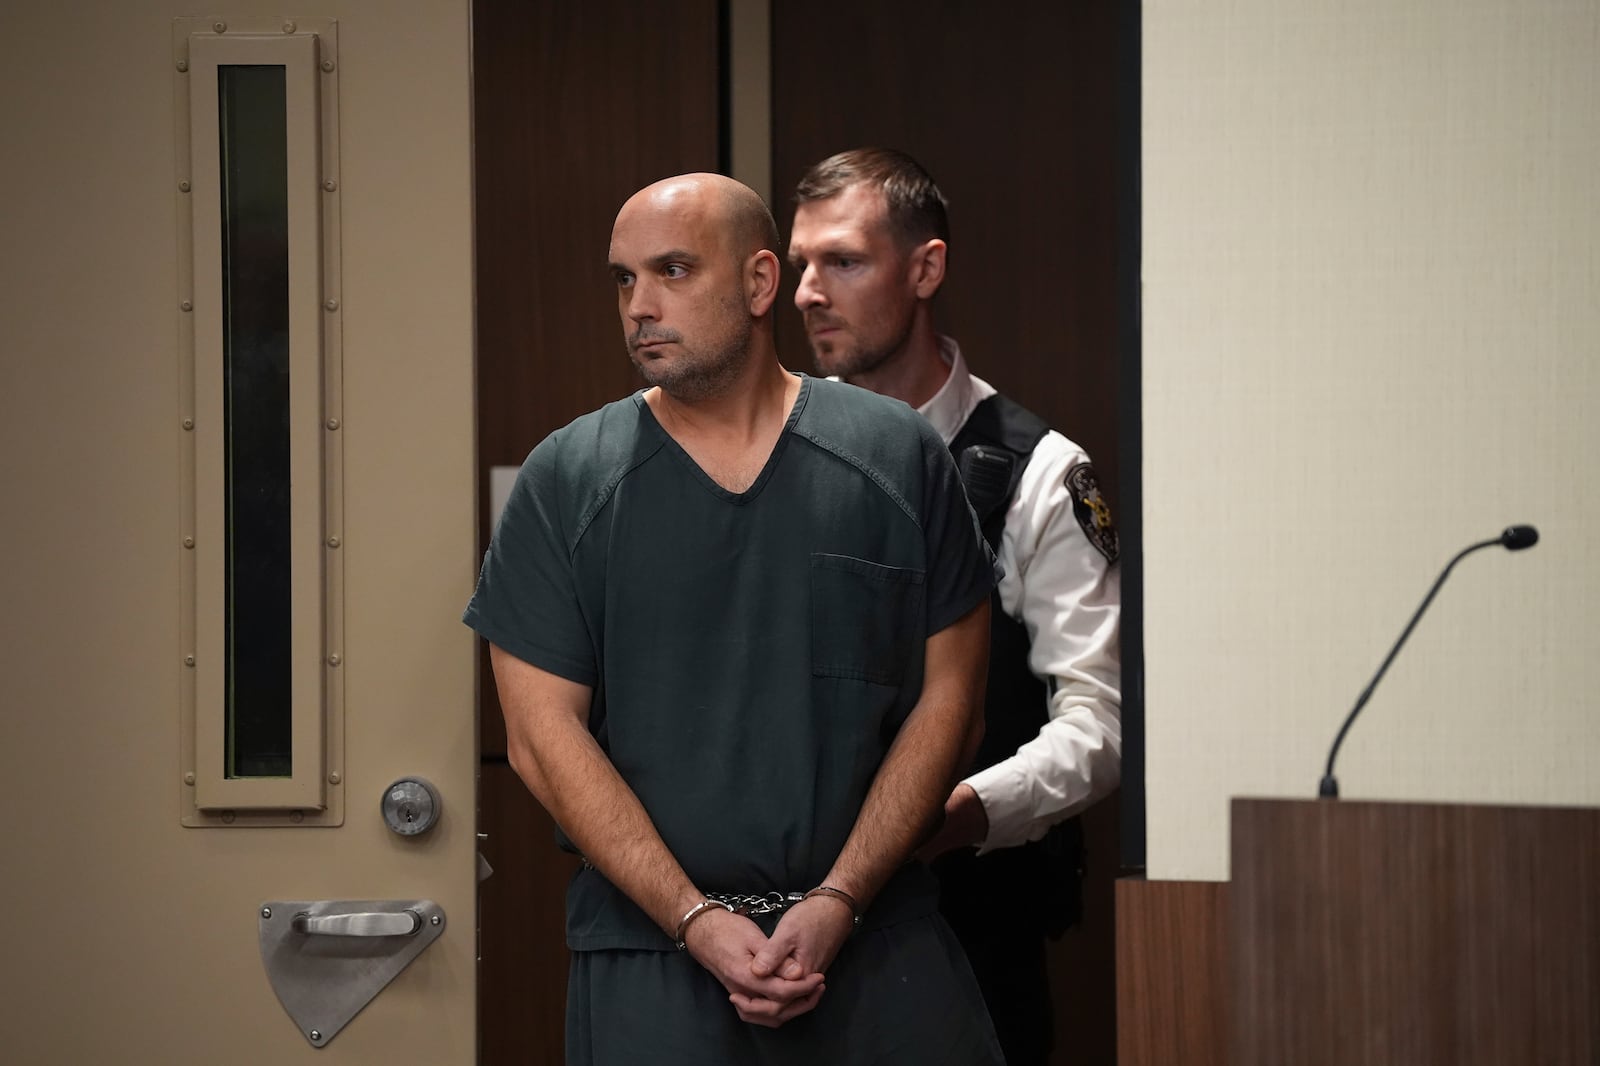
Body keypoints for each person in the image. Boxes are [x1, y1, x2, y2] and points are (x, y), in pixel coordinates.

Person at [464, 172, 1006, 1065]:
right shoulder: (566, 478)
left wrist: (840, 899)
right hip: (653, 960)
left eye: (673, 270)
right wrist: (694, 919)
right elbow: (538, 739)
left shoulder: (894, 454)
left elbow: (952, 705)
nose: (641, 305)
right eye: (624, 279)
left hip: (874, 948)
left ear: (760, 285)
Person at [788, 148, 1122, 1066]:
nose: (809, 291)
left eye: (844, 262)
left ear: (925, 268)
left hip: (971, 922)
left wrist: (956, 815)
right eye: (802, 264)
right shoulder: (774, 453)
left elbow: (1097, 727)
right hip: (784, 932)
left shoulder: (1035, 470)